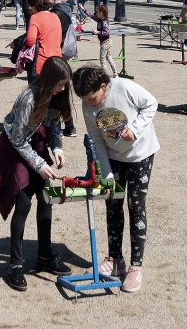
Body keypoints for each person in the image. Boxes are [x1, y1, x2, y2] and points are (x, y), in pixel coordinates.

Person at [0, 56, 73, 292]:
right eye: (61, 85)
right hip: (18, 151)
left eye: (65, 85)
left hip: (38, 148)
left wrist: (57, 148)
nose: (63, 89)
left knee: (47, 201)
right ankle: (15, 264)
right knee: (23, 205)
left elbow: (54, 127)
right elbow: (18, 139)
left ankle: (44, 254)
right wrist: (38, 165)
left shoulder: (56, 96)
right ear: (50, 80)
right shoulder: (28, 98)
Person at [72, 65, 159, 293]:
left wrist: (136, 129)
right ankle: (115, 259)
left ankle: (136, 266)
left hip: (141, 155)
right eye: (84, 99)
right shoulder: (87, 106)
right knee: (112, 205)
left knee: (136, 205)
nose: (89, 103)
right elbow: (97, 140)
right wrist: (107, 173)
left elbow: (151, 103)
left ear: (103, 87)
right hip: (114, 158)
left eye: (92, 98)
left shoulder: (123, 87)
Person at [42, 0, 77, 138]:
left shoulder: (58, 15)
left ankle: (58, 128)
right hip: (61, 55)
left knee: (55, 93)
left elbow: (51, 35)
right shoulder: (63, 11)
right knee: (61, 94)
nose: (46, 1)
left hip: (57, 54)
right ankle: (69, 127)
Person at [24, 0, 62, 84]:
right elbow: (60, 39)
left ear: (34, 6)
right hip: (57, 60)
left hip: (41, 63)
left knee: (38, 95)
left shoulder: (35, 18)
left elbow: (30, 41)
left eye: (30, 7)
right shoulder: (55, 16)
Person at [80, 3, 118, 78]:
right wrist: (83, 8)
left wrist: (98, 32)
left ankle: (105, 75)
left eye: (97, 12)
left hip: (105, 42)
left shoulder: (104, 22)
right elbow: (90, 15)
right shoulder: (99, 19)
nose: (95, 13)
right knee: (109, 57)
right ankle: (115, 73)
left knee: (102, 59)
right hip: (107, 42)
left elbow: (107, 32)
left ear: (101, 13)